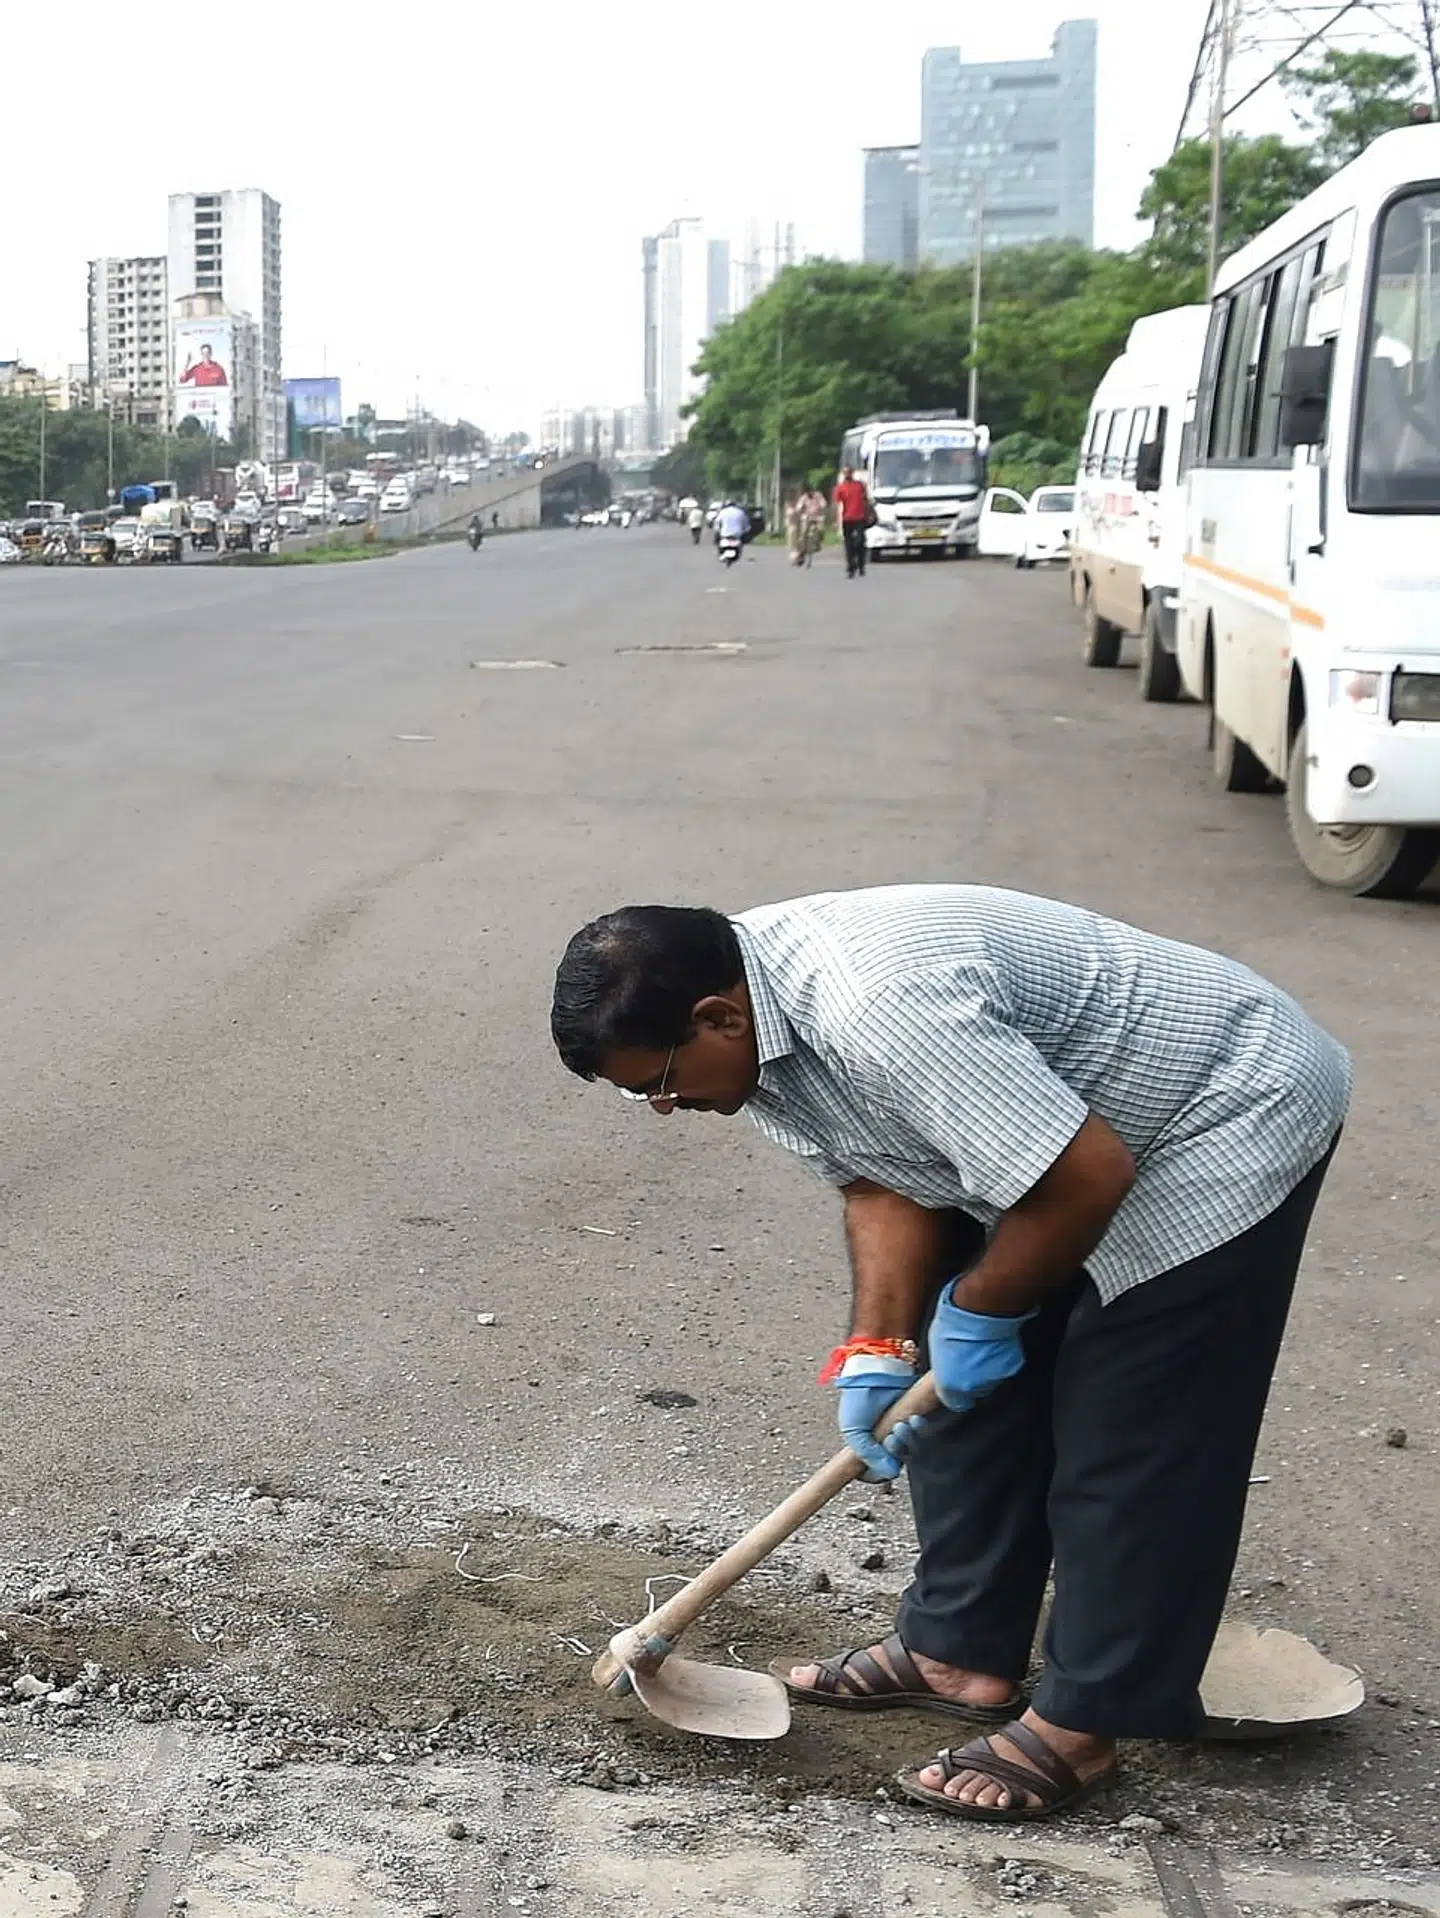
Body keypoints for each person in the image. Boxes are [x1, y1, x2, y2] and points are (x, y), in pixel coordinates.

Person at [550, 886, 1349, 1825]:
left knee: (1133, 1422)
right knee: (957, 1393)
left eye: (658, 1080)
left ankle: (1085, 1720)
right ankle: (957, 1649)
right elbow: (879, 1181)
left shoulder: (881, 1011)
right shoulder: (746, 1032)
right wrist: (880, 1346)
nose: (661, 1105)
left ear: (717, 1017)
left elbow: (1085, 1176)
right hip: (1061, 1133)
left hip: (1216, 1106)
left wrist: (983, 1310)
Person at [833, 466, 872, 578]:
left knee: (860, 542)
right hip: (847, 518)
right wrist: (835, 520)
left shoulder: (859, 485)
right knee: (848, 544)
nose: (847, 474)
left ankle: (861, 564)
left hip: (860, 517)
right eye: (845, 472)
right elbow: (836, 504)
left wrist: (868, 513)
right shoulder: (840, 487)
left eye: (849, 472)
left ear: (852, 473)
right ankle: (851, 567)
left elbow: (866, 500)